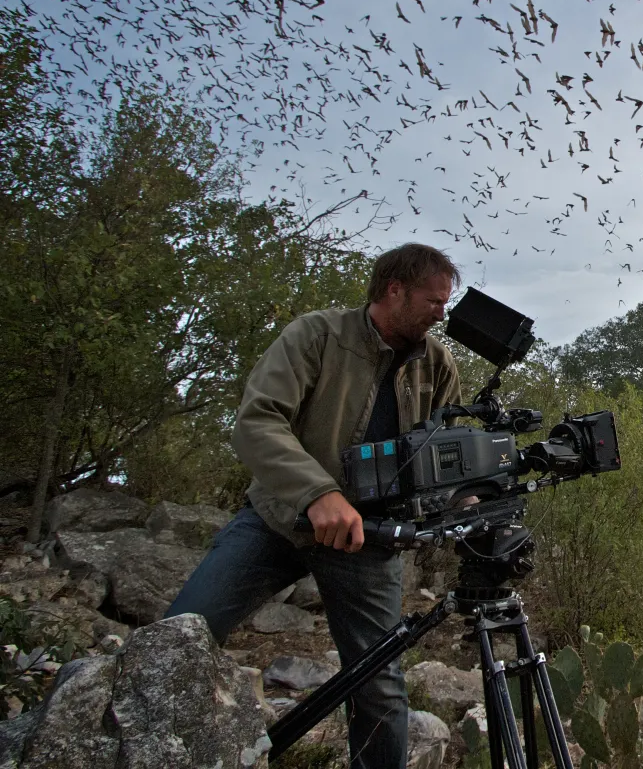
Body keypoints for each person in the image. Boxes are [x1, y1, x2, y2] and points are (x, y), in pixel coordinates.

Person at [165, 243, 464, 769]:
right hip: (278, 521)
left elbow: (441, 453)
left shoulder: (437, 364)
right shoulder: (317, 335)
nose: (442, 313)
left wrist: (467, 494)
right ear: (394, 290)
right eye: (434, 301)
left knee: (379, 685)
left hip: (369, 542)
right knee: (180, 636)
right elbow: (258, 421)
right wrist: (318, 493)